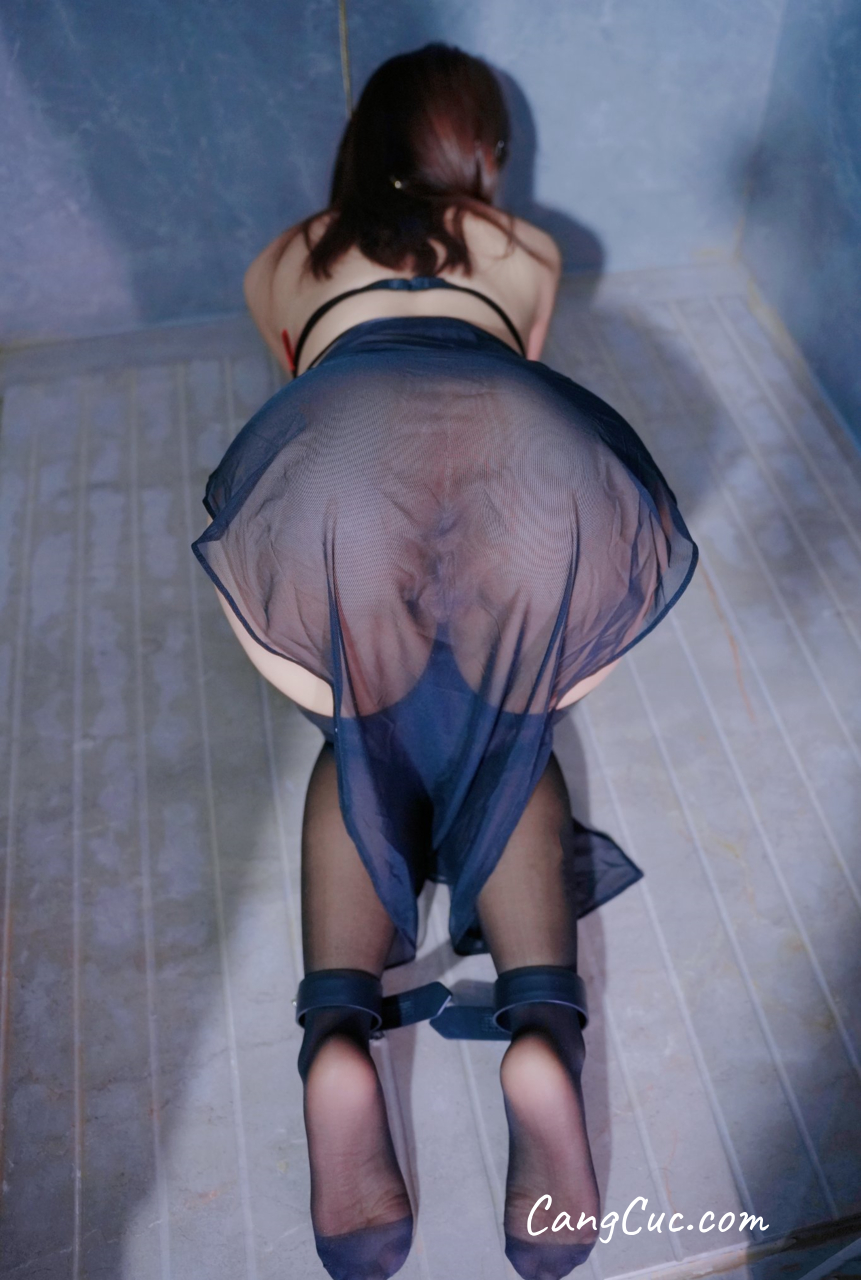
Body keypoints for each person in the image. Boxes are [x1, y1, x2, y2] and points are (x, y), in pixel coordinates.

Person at [192, 43, 698, 1280]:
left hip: (339, 453)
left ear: (360, 145)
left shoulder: (284, 257)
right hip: (529, 457)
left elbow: (312, 384)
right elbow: (508, 369)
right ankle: (542, 1027)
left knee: (364, 726)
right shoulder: (526, 250)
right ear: (486, 159)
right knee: (507, 727)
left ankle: (336, 1028)